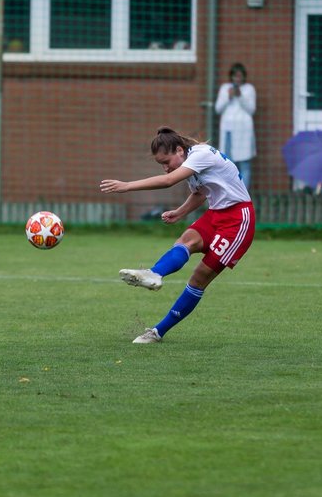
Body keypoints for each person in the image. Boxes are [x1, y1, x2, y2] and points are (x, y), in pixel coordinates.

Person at [99, 126, 256, 344]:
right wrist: (180, 212)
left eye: (166, 162)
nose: (165, 168)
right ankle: (154, 273)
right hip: (216, 214)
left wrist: (127, 186)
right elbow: (200, 193)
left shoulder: (200, 155)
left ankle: (157, 332)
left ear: (180, 150)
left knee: (199, 278)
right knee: (185, 241)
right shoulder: (192, 159)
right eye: (161, 164)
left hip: (237, 220)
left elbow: (167, 182)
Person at [214, 62, 257, 186]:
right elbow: (218, 109)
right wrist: (228, 97)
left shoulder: (249, 89)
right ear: (231, 77)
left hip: (244, 130)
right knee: (229, 164)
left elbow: (251, 109)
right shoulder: (225, 88)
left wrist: (240, 97)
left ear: (244, 76)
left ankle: (244, 196)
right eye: (235, 76)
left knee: (244, 163)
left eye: (240, 76)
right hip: (229, 130)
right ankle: (232, 194)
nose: (237, 79)